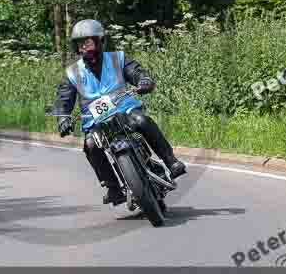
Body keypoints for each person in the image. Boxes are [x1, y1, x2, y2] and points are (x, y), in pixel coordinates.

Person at [52, 19, 186, 205]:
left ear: (100, 42)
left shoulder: (118, 59)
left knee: (142, 120)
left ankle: (171, 161)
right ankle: (113, 187)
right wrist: (62, 118)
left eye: (89, 42)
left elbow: (136, 72)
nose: (86, 47)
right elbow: (63, 99)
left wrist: (144, 80)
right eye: (81, 44)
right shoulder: (72, 73)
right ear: (76, 47)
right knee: (90, 145)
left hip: (125, 109)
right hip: (95, 121)